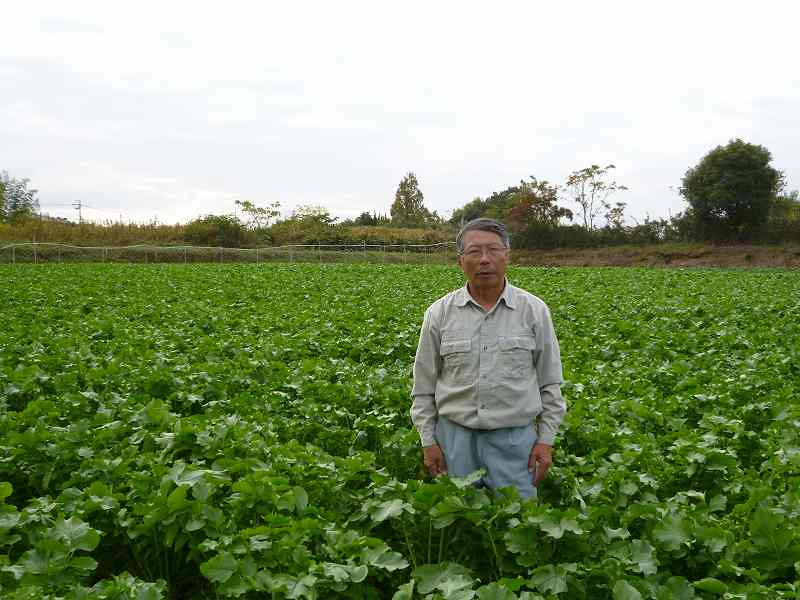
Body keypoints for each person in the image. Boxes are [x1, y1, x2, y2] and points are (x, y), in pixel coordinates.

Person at [410, 218, 566, 499]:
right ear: (460, 261)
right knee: (458, 524)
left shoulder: (534, 311)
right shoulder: (439, 314)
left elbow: (550, 383)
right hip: (453, 442)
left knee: (519, 523)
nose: (484, 260)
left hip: (516, 443)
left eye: (494, 250)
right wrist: (428, 441)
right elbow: (423, 389)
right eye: (474, 252)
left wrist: (546, 440)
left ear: (507, 256)